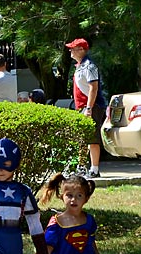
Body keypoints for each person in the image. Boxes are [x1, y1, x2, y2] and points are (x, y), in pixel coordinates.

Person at [67, 38, 107, 178]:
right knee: (82, 138)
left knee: (92, 138)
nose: (70, 51)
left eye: (73, 48)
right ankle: (82, 167)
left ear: (82, 50)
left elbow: (93, 88)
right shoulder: (80, 66)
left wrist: (89, 108)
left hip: (91, 106)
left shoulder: (89, 65)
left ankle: (94, 169)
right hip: (82, 106)